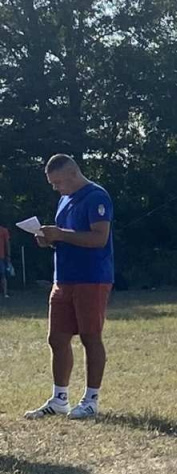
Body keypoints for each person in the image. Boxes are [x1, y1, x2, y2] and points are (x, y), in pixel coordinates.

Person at [25, 154, 114, 421]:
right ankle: (59, 399)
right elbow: (67, 236)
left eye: (58, 182)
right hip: (63, 278)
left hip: (92, 278)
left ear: (73, 174)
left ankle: (90, 400)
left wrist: (61, 234)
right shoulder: (64, 199)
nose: (56, 188)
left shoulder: (96, 197)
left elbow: (99, 238)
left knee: (90, 337)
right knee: (57, 338)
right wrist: (49, 239)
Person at [0, 219, 10, 297]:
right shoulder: (4, 230)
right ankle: (5, 293)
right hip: (2, 256)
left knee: (3, 275)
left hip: (1, 256)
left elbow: (7, 243)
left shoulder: (3, 230)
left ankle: (5, 292)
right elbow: (7, 244)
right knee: (3, 275)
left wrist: (8, 255)